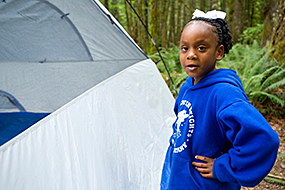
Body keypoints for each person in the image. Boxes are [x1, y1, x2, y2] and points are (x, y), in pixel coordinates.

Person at [160, 9, 279, 190]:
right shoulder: (187, 86)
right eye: (185, 48)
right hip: (178, 179)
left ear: (219, 52)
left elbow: (264, 140)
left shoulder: (224, 94)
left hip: (205, 185)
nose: (191, 54)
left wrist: (222, 167)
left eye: (201, 48)